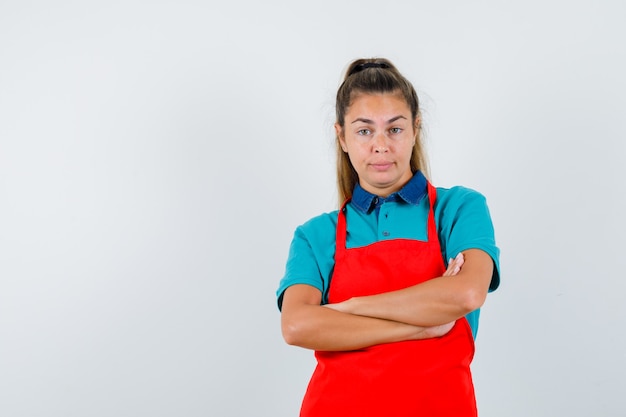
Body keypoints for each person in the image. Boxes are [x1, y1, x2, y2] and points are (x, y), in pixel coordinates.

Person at [276, 58, 501, 417]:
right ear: (342, 137)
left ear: (415, 129)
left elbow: (467, 293)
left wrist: (348, 308)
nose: (380, 145)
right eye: (364, 131)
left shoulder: (458, 208)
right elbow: (297, 325)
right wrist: (422, 326)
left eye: (394, 129)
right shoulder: (315, 235)